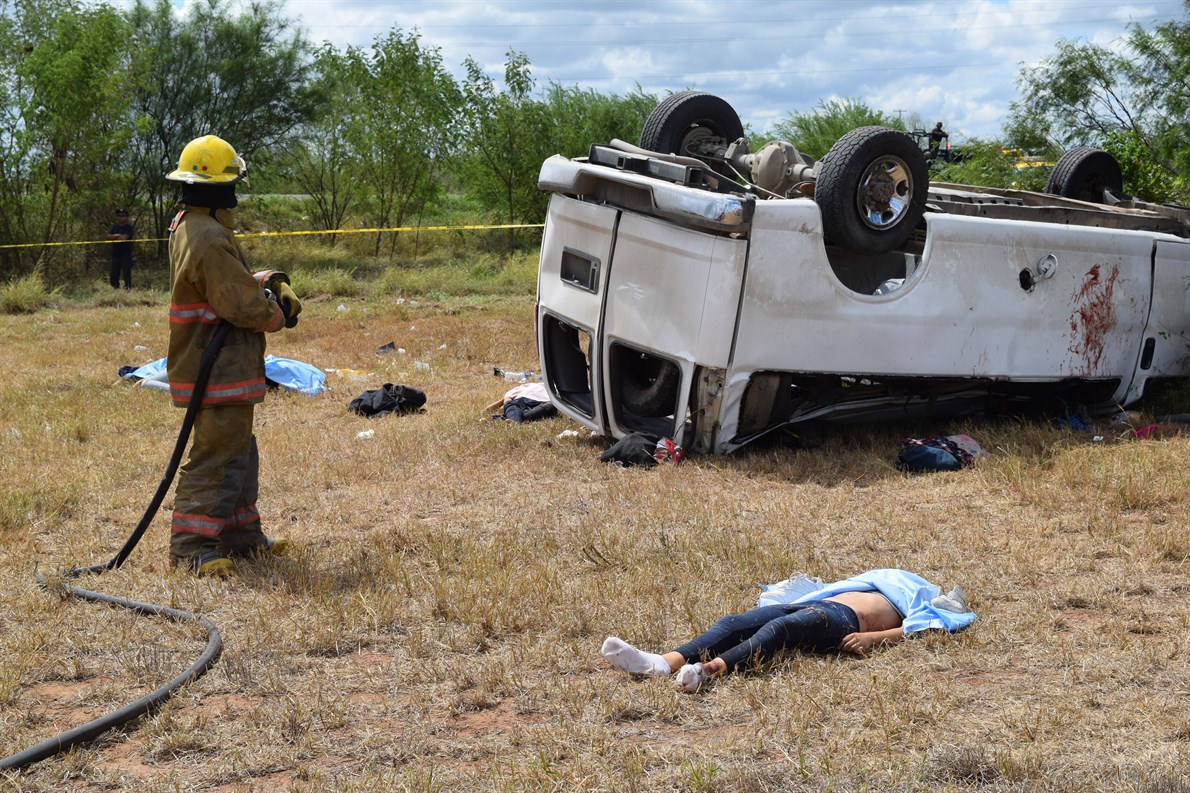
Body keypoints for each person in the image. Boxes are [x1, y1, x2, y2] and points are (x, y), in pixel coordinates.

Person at [164, 134, 302, 577]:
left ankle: (241, 537)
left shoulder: (198, 224)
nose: (236, 190)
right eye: (233, 181)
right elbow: (239, 304)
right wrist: (276, 312)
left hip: (218, 361)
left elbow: (227, 282)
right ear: (220, 186)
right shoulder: (206, 235)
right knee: (217, 457)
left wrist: (269, 278)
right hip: (216, 363)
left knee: (237, 452)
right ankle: (192, 548)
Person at [601, 568, 975, 692]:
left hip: (845, 622)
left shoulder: (919, 600)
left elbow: (924, 627)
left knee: (783, 629)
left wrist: (874, 638)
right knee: (735, 623)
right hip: (817, 604)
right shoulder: (874, 581)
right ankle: (661, 663)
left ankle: (708, 670)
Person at [107, 209, 134, 289]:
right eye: (119, 216)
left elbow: (124, 238)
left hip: (126, 254)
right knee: (114, 273)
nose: (120, 217)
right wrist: (118, 235)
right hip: (115, 253)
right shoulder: (114, 227)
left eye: (122, 216)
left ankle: (127, 289)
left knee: (126, 273)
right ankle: (115, 288)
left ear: (127, 217)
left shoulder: (129, 228)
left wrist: (114, 237)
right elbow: (108, 236)